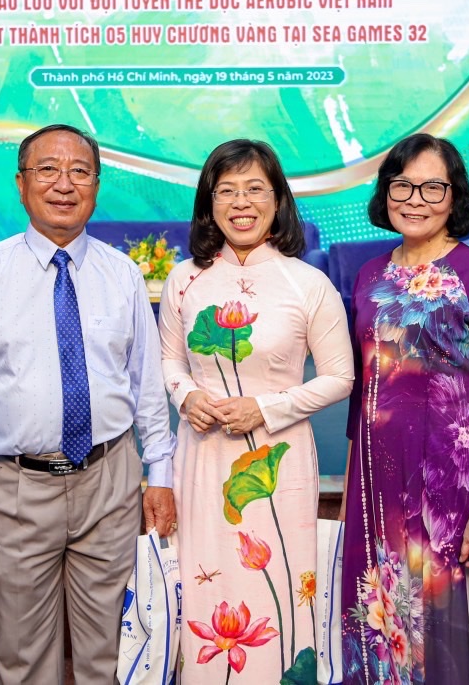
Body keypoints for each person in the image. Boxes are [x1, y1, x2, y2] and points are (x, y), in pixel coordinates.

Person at [0, 123, 177, 685]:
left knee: (109, 655)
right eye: (47, 170)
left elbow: (146, 382)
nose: (64, 184)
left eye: (79, 171)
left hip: (111, 480)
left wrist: (159, 472)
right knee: (24, 657)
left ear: (96, 186)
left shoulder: (123, 274)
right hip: (19, 486)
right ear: (21, 184)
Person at [159, 138, 353, 682]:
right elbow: (168, 360)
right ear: (209, 202)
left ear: (277, 200)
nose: (241, 203)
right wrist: (187, 396)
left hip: (280, 459)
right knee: (205, 583)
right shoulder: (183, 279)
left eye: (254, 189)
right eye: (226, 191)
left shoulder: (307, 283)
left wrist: (265, 410)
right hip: (201, 457)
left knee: (282, 590)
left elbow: (341, 377)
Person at [338, 133, 469, 683]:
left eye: (432, 187)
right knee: (372, 616)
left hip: (444, 482)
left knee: (436, 623)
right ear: (385, 192)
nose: (415, 199)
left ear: (454, 195)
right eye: (403, 185)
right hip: (374, 479)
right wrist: (350, 492)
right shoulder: (369, 275)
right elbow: (362, 393)